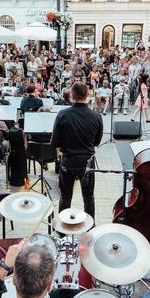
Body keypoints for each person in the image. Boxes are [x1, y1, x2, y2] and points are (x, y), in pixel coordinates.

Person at [50, 82, 103, 218]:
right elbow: (96, 142)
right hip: (87, 163)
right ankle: (90, 228)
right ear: (87, 94)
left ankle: (62, 229)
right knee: (89, 198)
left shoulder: (62, 114)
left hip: (68, 161)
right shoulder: (97, 116)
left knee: (65, 197)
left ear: (71, 95)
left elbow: (54, 142)